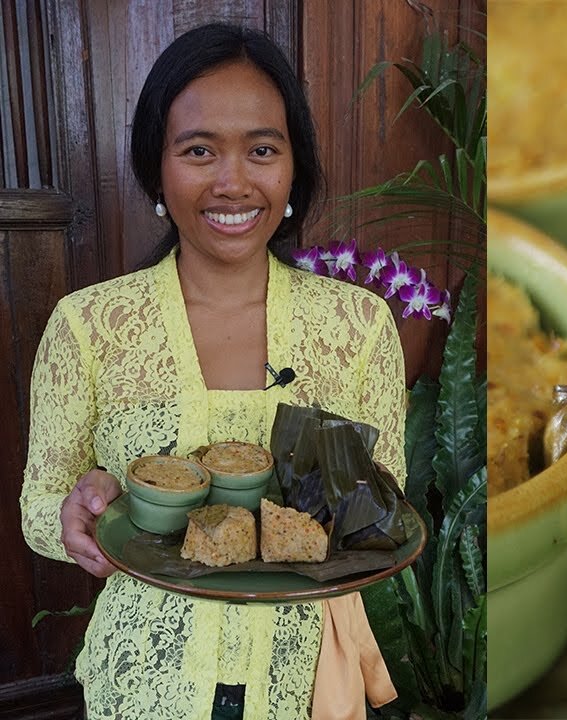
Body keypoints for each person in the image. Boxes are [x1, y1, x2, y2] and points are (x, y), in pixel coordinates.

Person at [19, 24, 405, 720]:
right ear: (157, 169)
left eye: (261, 149)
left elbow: (388, 496)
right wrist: (80, 509)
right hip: (145, 684)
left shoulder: (358, 325)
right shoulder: (90, 325)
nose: (233, 182)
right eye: (199, 150)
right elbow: (41, 505)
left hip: (306, 682)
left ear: (293, 167)